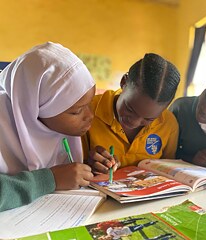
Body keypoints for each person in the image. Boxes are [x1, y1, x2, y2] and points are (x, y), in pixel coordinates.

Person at [0, 42, 95, 211]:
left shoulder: (60, 129)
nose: (90, 116)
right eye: (77, 111)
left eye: (89, 105)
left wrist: (88, 166)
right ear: (34, 107)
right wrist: (49, 180)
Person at [83, 53, 180, 174]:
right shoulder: (86, 111)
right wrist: (88, 164)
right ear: (124, 82)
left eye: (148, 119)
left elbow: (168, 170)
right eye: (129, 109)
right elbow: (70, 165)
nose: (134, 122)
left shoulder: (168, 124)